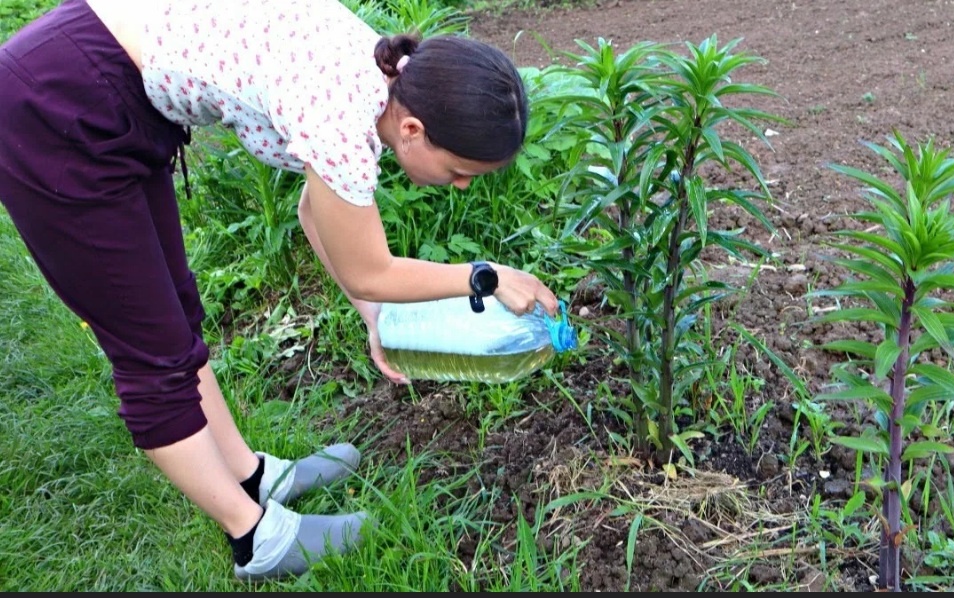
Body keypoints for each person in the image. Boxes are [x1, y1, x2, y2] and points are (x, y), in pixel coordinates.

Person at [0, 0, 560, 582]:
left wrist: (376, 319)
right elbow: (370, 267)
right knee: (152, 356)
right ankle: (255, 536)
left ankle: (249, 474)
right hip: (56, 108)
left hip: (105, 83)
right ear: (414, 130)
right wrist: (485, 276)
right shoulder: (344, 109)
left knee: (177, 315)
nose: (465, 185)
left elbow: (316, 215)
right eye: (462, 169)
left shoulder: (382, 72)